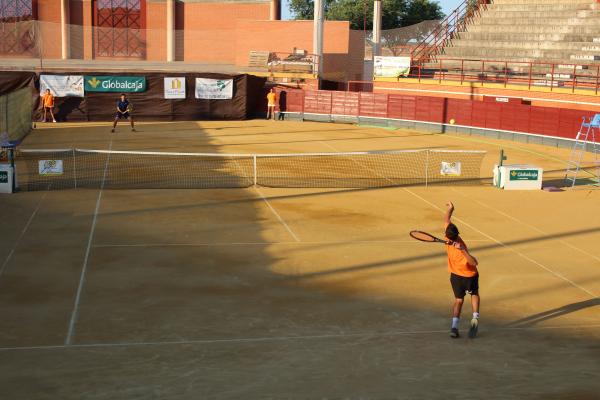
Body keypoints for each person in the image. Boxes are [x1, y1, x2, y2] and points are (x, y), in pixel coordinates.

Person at [444, 201, 480, 339]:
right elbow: (474, 262)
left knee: (459, 300)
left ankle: (454, 327)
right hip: (470, 276)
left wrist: (450, 209)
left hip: (455, 277)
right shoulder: (460, 248)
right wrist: (463, 250)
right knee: (474, 293)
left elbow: (446, 219)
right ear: (457, 234)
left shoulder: (447, 237)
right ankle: (475, 318)